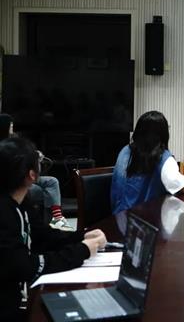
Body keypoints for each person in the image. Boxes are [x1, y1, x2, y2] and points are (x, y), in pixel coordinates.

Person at [0, 137, 106, 321]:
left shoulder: (21, 201)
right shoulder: (4, 213)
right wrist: (82, 251)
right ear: (32, 175)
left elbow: (42, 235)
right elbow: (27, 267)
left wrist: (81, 236)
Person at [111, 111, 184, 214]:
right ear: (163, 134)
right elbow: (177, 184)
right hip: (145, 220)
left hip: (118, 217)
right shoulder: (162, 157)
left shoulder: (125, 151)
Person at [0, 113, 74, 231]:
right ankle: (43, 226)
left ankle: (57, 218)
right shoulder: (5, 148)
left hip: (24, 174)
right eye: (11, 126)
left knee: (52, 181)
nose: (12, 129)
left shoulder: (16, 140)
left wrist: (33, 157)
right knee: (41, 191)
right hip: (13, 179)